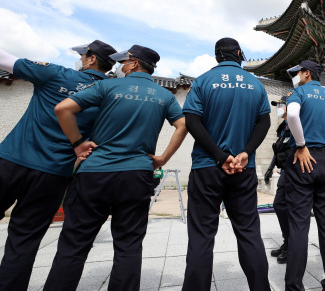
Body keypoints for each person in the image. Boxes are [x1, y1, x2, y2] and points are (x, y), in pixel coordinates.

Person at [43, 45, 187, 291]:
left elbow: (62, 108)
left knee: (74, 245)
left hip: (94, 174)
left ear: (134, 64)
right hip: (136, 175)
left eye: (124, 63)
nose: (120, 67)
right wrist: (162, 158)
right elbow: (183, 124)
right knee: (129, 245)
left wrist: (78, 144)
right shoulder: (163, 95)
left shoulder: (106, 86)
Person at [0, 40, 116, 291]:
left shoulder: (56, 73)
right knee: (24, 240)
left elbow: (4, 59)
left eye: (83, 55)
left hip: (11, 161)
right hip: (54, 174)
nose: (81, 58)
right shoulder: (110, 93)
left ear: (91, 59)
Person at [182, 38, 271, 291]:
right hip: (244, 168)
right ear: (239, 54)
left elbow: (192, 121)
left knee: (201, 237)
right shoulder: (256, 84)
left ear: (217, 56)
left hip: (206, 167)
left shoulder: (202, 82)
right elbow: (263, 123)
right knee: (249, 233)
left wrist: (219, 156)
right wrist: (245, 152)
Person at [284, 60, 325, 291]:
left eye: (299, 71)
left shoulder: (299, 92)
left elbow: (291, 115)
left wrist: (301, 145)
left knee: (299, 225)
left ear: (307, 73)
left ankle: (294, 285)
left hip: (304, 158)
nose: (297, 75)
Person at [267, 95, 293, 264]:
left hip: (294, 173)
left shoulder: (296, 124)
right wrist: (270, 168)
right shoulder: (283, 127)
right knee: (279, 205)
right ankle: (287, 242)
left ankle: (292, 246)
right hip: (284, 171)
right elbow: (278, 150)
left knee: (286, 207)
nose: (279, 107)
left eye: (281, 104)